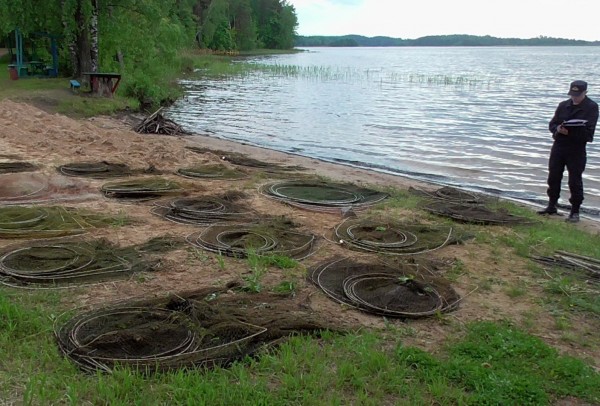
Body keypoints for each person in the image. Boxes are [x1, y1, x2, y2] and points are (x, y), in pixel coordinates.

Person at [538, 80, 599, 222]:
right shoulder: (563, 105)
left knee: (575, 180)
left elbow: (589, 135)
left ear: (585, 93)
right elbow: (552, 124)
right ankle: (552, 205)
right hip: (559, 145)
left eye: (577, 95)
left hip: (577, 148)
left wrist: (570, 132)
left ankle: (575, 211)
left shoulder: (591, 107)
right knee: (553, 176)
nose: (574, 98)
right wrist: (557, 129)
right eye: (572, 94)